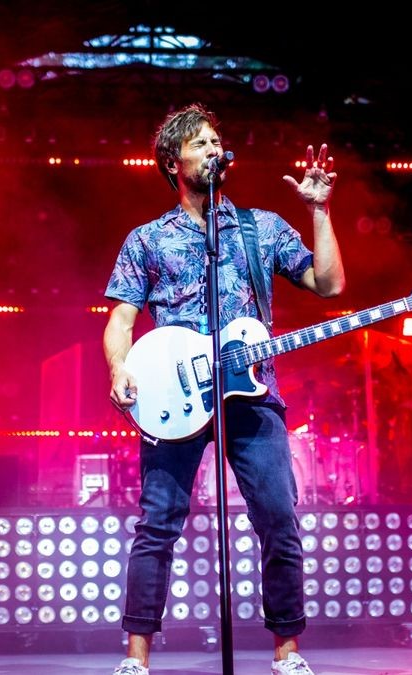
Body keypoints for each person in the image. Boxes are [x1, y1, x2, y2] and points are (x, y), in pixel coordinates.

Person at [103, 103, 345, 675]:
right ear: (171, 162)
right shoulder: (147, 240)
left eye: (218, 141)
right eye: (200, 143)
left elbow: (329, 284)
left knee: (279, 519)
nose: (214, 149)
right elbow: (120, 318)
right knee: (158, 521)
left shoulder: (259, 228)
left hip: (252, 395)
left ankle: (287, 653)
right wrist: (119, 366)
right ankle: (136, 659)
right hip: (172, 393)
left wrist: (319, 210)